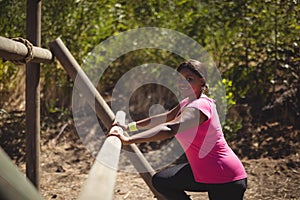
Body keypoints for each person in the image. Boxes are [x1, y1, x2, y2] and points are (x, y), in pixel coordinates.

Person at [107, 59, 247, 200]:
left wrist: (129, 140)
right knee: (162, 181)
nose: (183, 83)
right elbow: (165, 117)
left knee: (163, 181)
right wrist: (128, 127)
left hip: (225, 176)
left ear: (202, 81)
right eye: (180, 79)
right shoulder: (187, 102)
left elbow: (170, 128)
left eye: (189, 79)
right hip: (203, 171)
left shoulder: (200, 106)